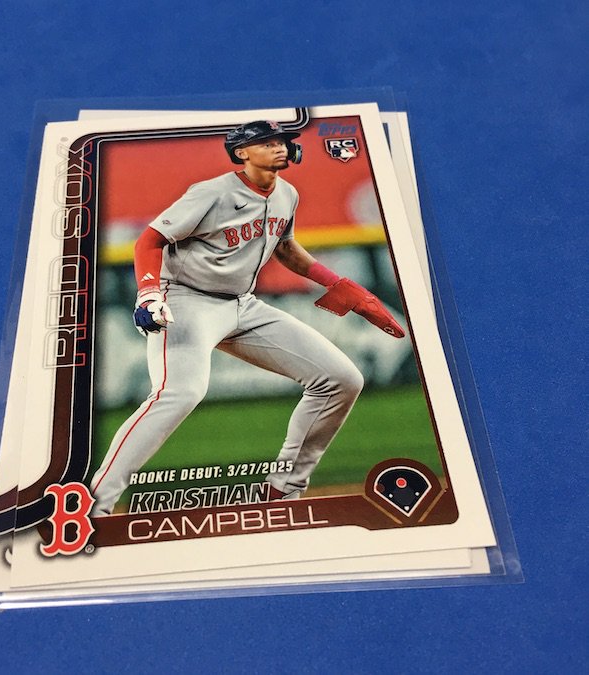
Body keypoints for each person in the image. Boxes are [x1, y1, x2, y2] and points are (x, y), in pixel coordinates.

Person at [89, 120, 404, 516]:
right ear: (241, 152)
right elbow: (150, 240)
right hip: (186, 300)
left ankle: (283, 490)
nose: (279, 147)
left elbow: (285, 248)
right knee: (179, 393)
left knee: (341, 379)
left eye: (282, 141)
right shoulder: (212, 193)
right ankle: (94, 504)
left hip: (242, 304)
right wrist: (150, 292)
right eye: (267, 143)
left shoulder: (287, 194)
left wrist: (337, 282)